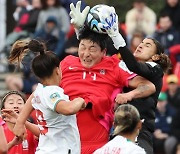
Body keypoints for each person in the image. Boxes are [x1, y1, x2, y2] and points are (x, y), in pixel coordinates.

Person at [59, 1, 156, 153]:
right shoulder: (67, 63)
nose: (86, 53)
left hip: (97, 145)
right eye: (82, 48)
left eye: (92, 49)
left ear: (104, 52)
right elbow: (45, 88)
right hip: (63, 142)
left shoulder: (113, 66)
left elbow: (149, 86)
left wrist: (129, 95)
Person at [98, 5, 171, 154]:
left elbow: (134, 66)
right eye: (141, 42)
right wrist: (82, 31)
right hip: (117, 130)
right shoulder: (125, 66)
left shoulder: (154, 69)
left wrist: (116, 35)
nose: (140, 45)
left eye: (147, 45)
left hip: (140, 132)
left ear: (156, 57)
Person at [9, 39, 86, 154]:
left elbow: (31, 99)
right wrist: (80, 101)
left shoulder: (40, 91)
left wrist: (20, 122)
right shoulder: (52, 93)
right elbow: (68, 109)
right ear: (57, 70)